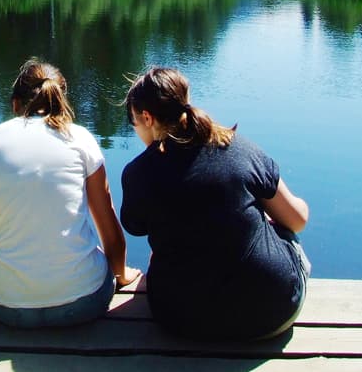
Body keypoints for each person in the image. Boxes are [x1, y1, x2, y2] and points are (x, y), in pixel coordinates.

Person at [120, 67, 311, 341]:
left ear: (147, 118)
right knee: (284, 231)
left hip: (180, 320)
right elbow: (298, 220)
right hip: (271, 314)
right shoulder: (240, 150)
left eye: (134, 123)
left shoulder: (138, 173)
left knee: (160, 252)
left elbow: (137, 226)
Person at [0, 58, 140, 328]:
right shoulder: (80, 140)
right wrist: (122, 275)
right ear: (60, 101)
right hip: (82, 304)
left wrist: (8, 275)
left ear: (14, 104)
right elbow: (110, 231)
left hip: (7, 308)